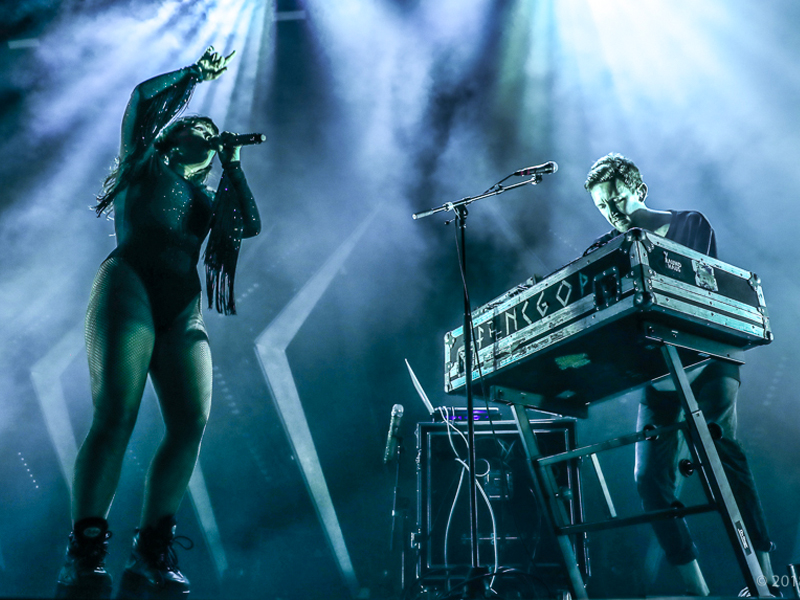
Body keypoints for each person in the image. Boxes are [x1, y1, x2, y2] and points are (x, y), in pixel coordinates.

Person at [56, 46, 261, 599]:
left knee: (191, 420)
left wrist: (235, 163)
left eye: (210, 128)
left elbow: (247, 225)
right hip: (129, 286)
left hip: (182, 307)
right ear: (170, 138)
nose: (204, 128)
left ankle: (151, 549)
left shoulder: (208, 196)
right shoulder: (142, 163)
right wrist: (195, 74)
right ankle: (86, 548)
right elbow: (142, 99)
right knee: (117, 414)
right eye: (193, 122)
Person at [583, 153, 774, 596]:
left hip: (707, 360)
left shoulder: (691, 223)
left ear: (640, 191)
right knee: (648, 481)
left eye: (617, 200)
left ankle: (764, 581)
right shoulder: (611, 248)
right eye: (602, 207)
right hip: (659, 375)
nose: (611, 213)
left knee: (721, 453)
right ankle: (697, 589)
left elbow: (691, 292)